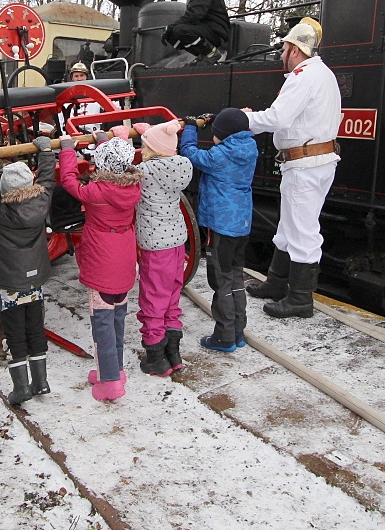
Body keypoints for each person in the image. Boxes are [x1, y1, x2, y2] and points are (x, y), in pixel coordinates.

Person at [242, 17, 340, 319]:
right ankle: (274, 282)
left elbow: (277, 118)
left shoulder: (302, 76)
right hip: (314, 161)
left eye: (284, 49)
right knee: (289, 226)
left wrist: (245, 119)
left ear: (295, 50)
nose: (282, 55)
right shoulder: (323, 74)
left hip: (304, 164)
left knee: (303, 230)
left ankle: (299, 299)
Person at [58, 127, 142, 401]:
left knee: (102, 324)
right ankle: (115, 368)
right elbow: (114, 161)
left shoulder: (95, 191)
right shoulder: (133, 186)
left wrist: (68, 150)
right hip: (125, 257)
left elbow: (69, 180)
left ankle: (110, 382)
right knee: (118, 317)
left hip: (102, 261)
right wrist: (105, 141)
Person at [180, 107, 258, 351]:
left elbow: (189, 154)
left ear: (222, 135)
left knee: (220, 280)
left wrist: (191, 128)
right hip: (242, 222)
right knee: (235, 276)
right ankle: (238, 330)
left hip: (221, 224)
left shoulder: (219, 156)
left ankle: (224, 337)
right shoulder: (249, 148)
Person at [0, 136, 55, 405]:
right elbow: (49, 179)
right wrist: (47, 152)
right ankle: (41, 382)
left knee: (14, 333)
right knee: (35, 327)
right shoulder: (42, 200)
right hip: (35, 277)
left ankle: (21, 388)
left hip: (10, 282)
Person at [132, 120, 193, 375]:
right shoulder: (182, 167)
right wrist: (150, 133)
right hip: (178, 241)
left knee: (153, 299)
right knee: (171, 297)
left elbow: (120, 170)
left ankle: (156, 357)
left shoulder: (143, 172)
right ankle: (174, 354)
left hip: (155, 245)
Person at [162, 0, 231, 62]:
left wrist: (172, 26)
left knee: (180, 30)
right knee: (172, 34)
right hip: (207, 28)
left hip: (216, 31)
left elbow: (194, 15)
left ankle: (212, 53)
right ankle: (201, 55)